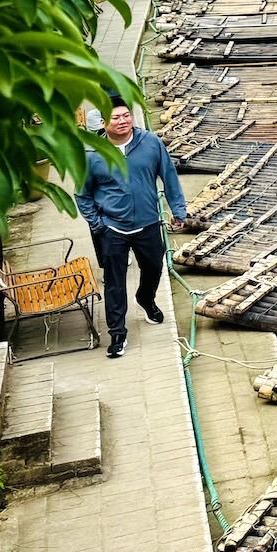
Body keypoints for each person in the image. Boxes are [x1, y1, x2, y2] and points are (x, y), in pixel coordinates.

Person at [78, 98, 188, 359]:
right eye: (116, 117)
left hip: (148, 223)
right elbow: (82, 194)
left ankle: (146, 299)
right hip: (112, 228)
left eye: (126, 115)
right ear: (103, 123)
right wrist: (97, 223)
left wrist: (178, 210)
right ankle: (117, 333)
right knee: (114, 283)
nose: (123, 121)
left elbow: (169, 176)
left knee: (154, 267)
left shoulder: (151, 143)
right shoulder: (92, 155)